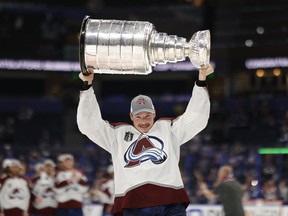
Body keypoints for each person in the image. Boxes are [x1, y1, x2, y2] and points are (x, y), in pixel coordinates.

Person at [77, 64, 213, 216]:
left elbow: (196, 117)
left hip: (170, 201)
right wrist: (87, 85)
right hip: (134, 204)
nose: (143, 121)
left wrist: (201, 80)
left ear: (154, 114)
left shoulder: (169, 129)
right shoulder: (117, 135)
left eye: (147, 116)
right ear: (131, 117)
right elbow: (89, 124)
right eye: (138, 117)